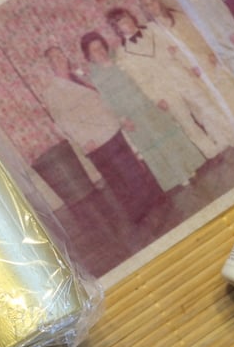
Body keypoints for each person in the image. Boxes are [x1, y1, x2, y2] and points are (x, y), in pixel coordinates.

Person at [40, 46, 163, 223]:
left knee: (132, 168)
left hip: (111, 128)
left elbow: (103, 100)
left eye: (61, 55)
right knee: (117, 178)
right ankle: (137, 213)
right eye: (54, 58)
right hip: (95, 140)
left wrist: (120, 119)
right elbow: (63, 122)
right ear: (49, 65)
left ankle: (152, 201)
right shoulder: (53, 91)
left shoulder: (79, 77)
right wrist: (84, 141)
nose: (59, 59)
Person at [105, 6, 234, 156]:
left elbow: (175, 48)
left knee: (207, 107)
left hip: (179, 74)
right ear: (117, 28)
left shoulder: (153, 28)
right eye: (121, 22)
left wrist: (190, 65)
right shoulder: (123, 53)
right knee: (187, 123)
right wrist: (156, 98)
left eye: (127, 17)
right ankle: (212, 151)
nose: (127, 22)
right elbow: (141, 80)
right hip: (162, 88)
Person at [80, 31, 207, 192]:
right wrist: (122, 119)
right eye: (94, 50)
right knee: (155, 145)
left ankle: (189, 167)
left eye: (100, 47)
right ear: (89, 56)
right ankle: (179, 177)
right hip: (131, 114)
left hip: (147, 102)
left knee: (168, 135)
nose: (100, 52)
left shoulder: (119, 58)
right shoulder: (96, 77)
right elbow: (107, 102)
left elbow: (142, 77)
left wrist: (156, 97)